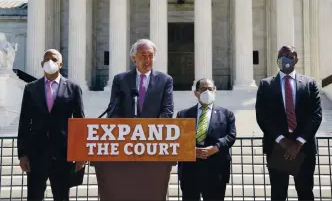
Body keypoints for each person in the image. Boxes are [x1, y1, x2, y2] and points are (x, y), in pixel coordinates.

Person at [94, 39, 174, 201]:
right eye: (143, 55)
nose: (147, 60)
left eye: (150, 56)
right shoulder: (120, 80)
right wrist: (129, 130)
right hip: (126, 147)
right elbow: (114, 110)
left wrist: (149, 131)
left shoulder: (165, 80)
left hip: (153, 145)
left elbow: (167, 110)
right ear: (133, 58)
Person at [255, 46, 322, 201]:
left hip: (304, 149)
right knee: (278, 194)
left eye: (288, 56)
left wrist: (298, 143)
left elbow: (316, 115)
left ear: (296, 59)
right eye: (281, 56)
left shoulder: (309, 83)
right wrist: (282, 140)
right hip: (277, 148)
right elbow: (262, 116)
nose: (284, 59)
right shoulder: (266, 85)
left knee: (305, 192)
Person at [17, 49, 85, 201]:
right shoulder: (31, 88)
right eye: (46, 59)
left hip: (62, 153)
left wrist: (81, 154)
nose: (50, 62)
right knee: (34, 196)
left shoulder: (73, 88)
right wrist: (22, 154)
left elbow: (79, 121)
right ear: (41, 64)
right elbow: (24, 122)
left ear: (61, 64)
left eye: (54, 59)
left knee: (61, 196)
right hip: (36, 153)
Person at [177, 78, 236, 201]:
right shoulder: (183, 114)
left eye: (210, 89)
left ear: (215, 91)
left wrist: (215, 148)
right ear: (196, 93)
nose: (207, 92)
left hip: (216, 170)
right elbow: (178, 139)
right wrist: (192, 150)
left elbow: (231, 136)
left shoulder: (226, 114)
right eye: (203, 89)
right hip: (190, 171)